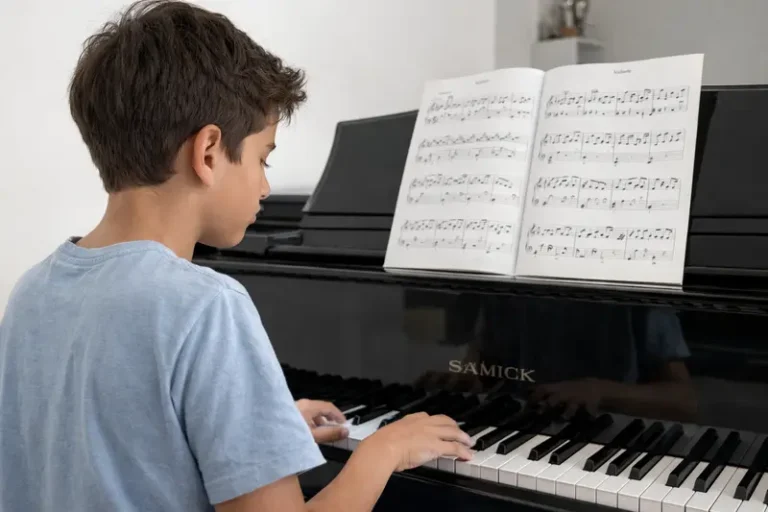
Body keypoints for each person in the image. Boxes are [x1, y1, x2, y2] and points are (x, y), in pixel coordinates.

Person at [0, 1, 473, 511]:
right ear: (208, 153)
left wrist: (263, 433)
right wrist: (384, 450)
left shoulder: (33, 289)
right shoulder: (206, 305)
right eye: (263, 157)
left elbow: (110, 442)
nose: (266, 185)